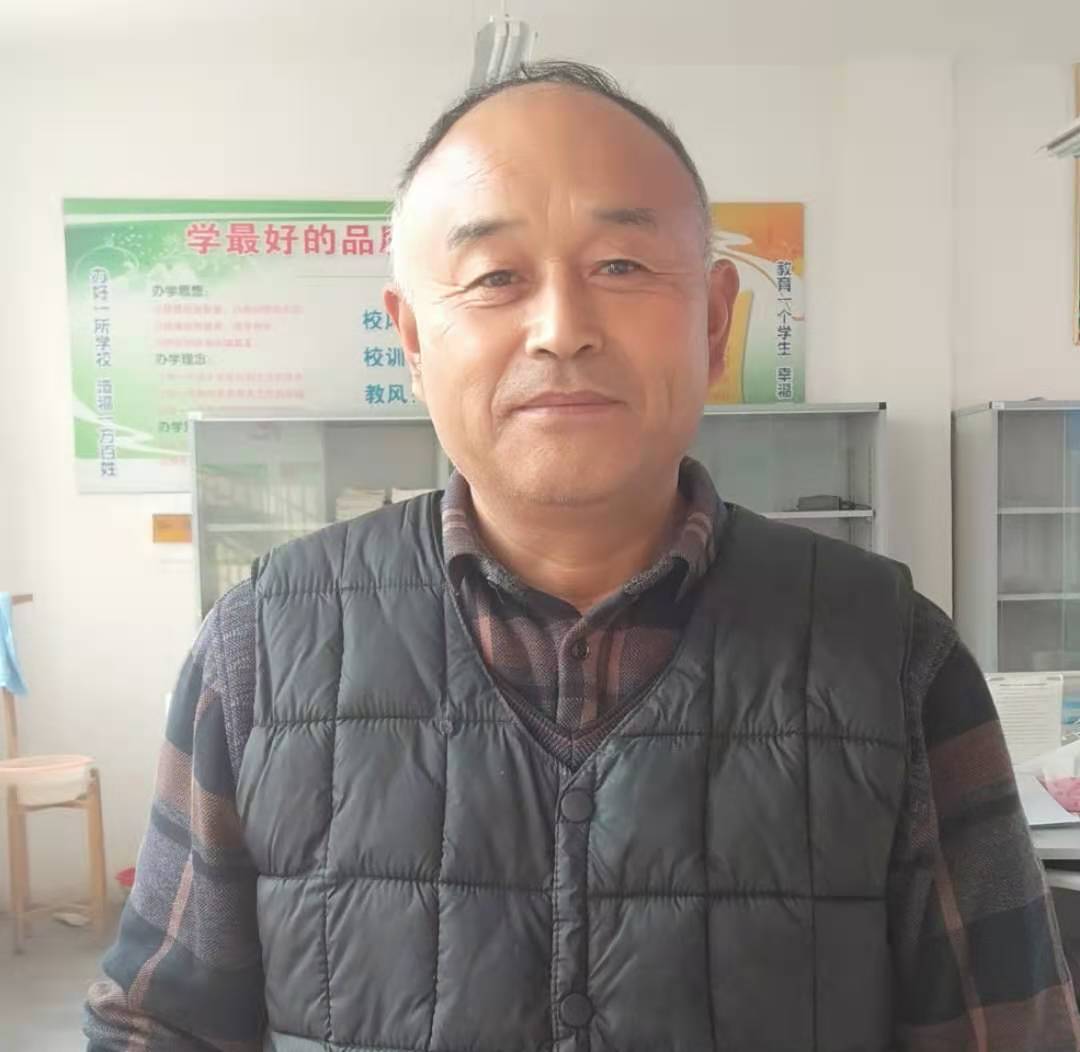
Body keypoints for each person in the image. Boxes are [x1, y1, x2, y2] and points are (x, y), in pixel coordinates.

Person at [85, 61, 1080, 1052]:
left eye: (622, 266)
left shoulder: (894, 655)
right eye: (495, 277)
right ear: (413, 341)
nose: (561, 330)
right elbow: (155, 1025)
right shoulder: (261, 647)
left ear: (715, 322)